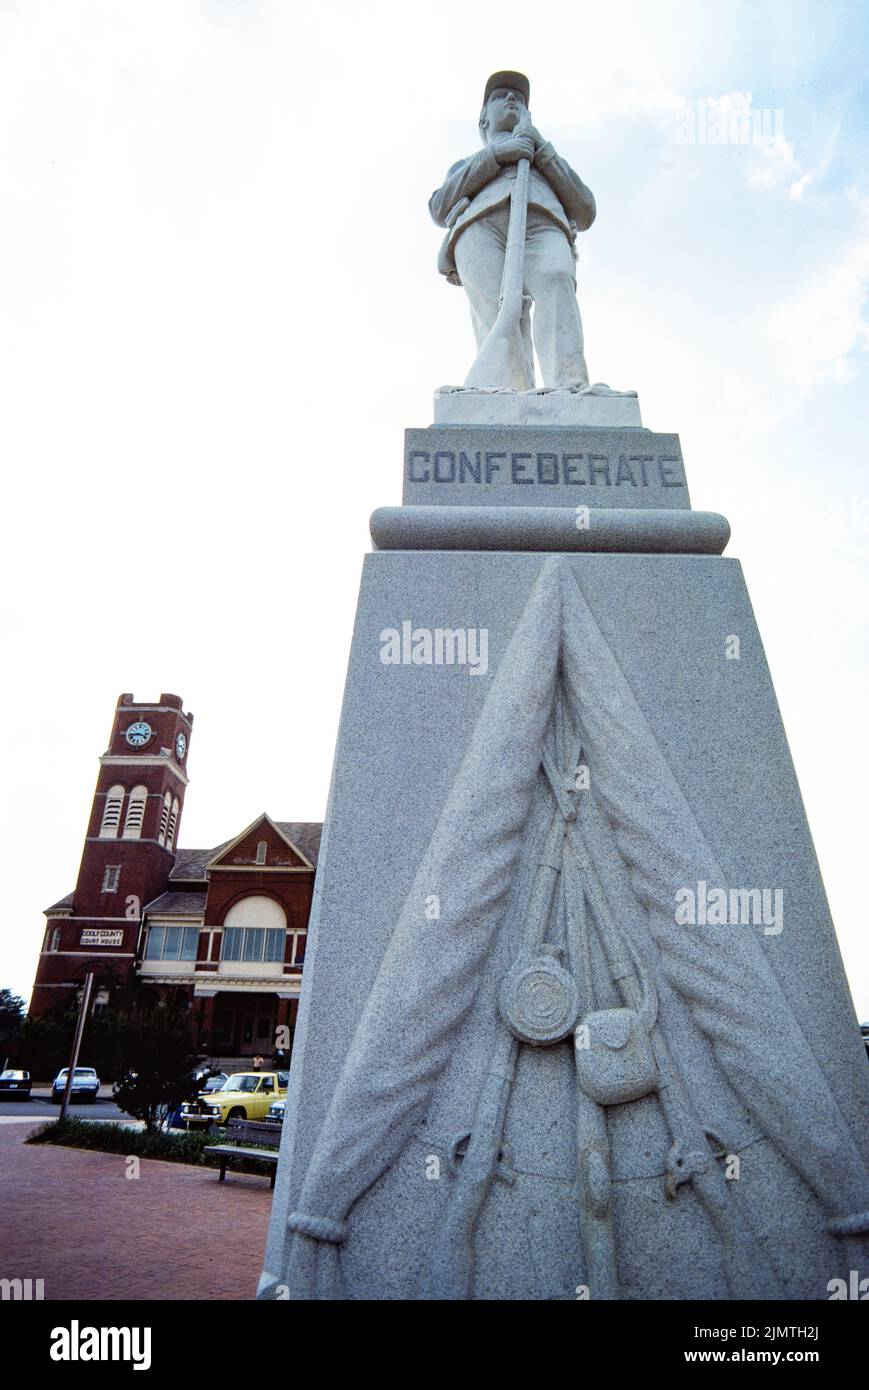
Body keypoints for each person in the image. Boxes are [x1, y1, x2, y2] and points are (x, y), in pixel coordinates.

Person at [429, 70, 595, 390]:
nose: (510, 99)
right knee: (495, 308)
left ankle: (570, 385)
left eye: (518, 98)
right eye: (499, 96)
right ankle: (508, 390)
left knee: (557, 278)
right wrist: (496, 156)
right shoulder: (466, 164)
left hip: (543, 224)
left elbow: (585, 210)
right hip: (480, 228)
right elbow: (439, 207)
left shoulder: (545, 159)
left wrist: (539, 148)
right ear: (483, 121)